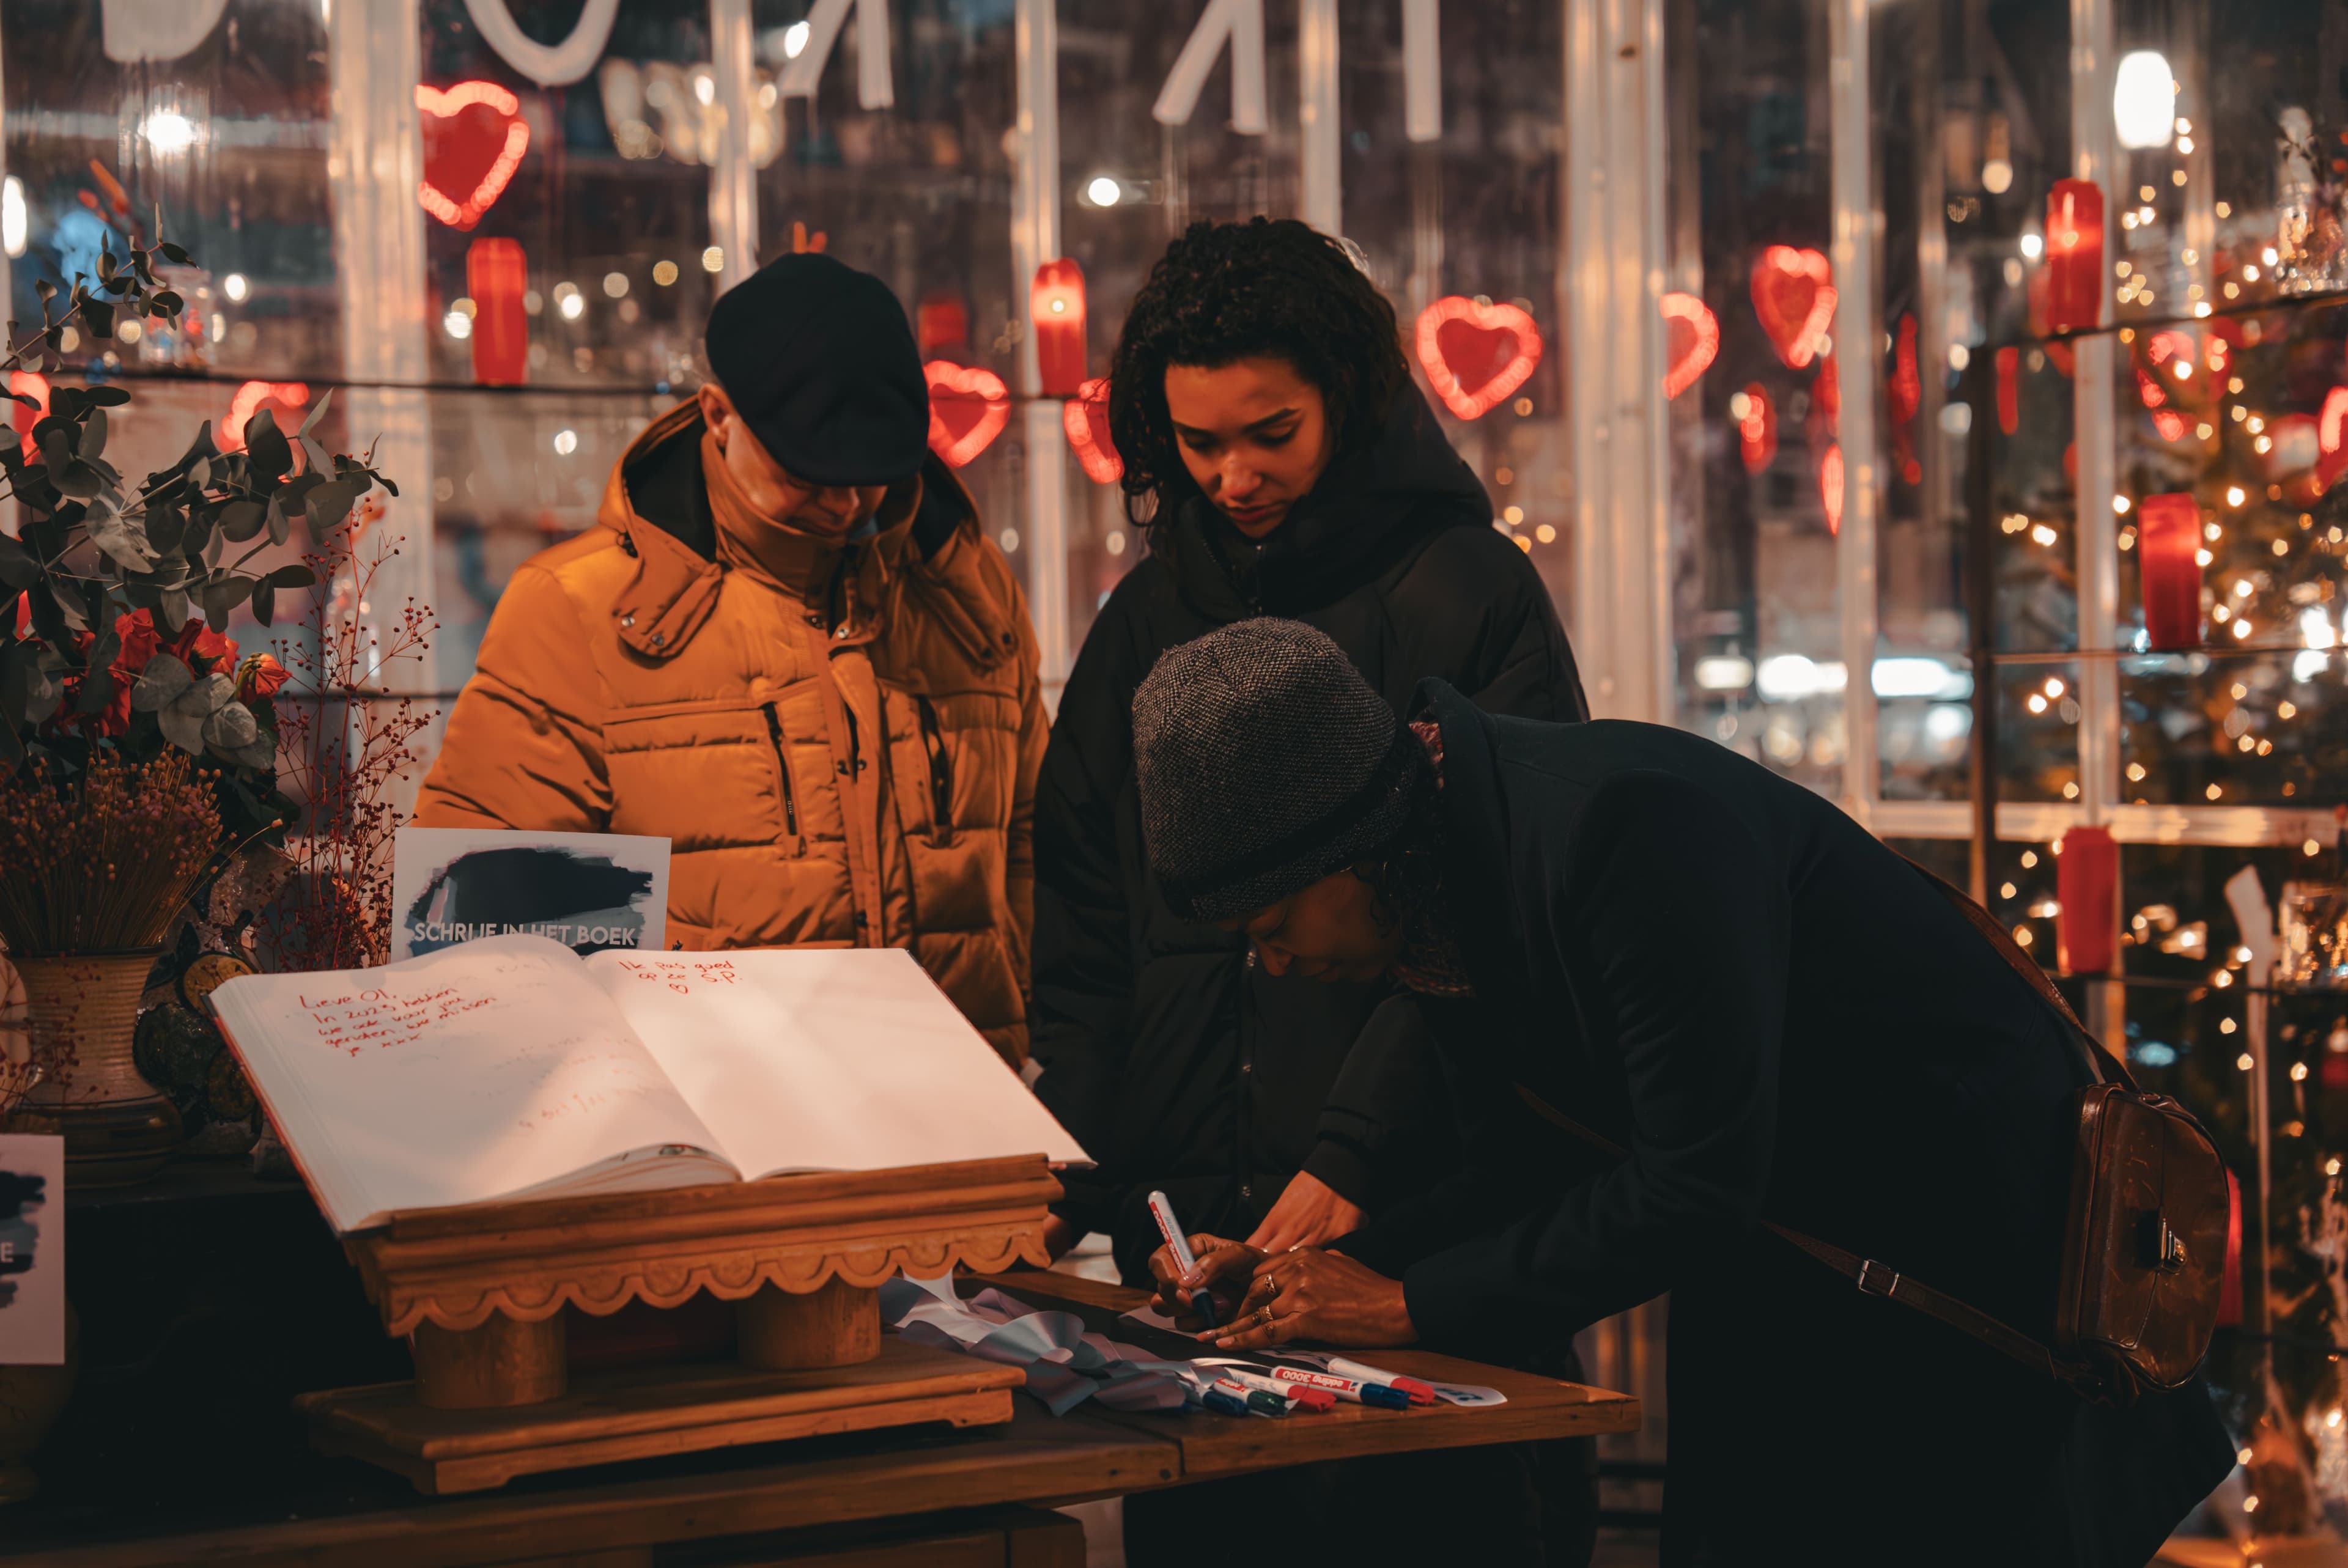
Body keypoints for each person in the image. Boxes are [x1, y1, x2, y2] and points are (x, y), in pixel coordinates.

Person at [1130, 619, 2235, 1567]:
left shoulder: (1624, 827)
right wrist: (1311, 1279)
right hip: (1804, 1246)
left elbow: (1694, 1183)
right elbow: (1529, 1163)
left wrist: (1399, 1302)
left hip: (1958, 1256)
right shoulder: (1447, 874)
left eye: (1271, 924)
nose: (1274, 964)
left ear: (1353, 846)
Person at [1028, 216, 1588, 1283]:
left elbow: (1504, 907)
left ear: (1346, 391)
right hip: (1180, 1238)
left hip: (1424, 1222)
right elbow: (1086, 926)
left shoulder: (1467, 592)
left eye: (1271, 432)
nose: (1234, 477)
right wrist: (1072, 1173)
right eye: (1198, 444)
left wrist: (1360, 1151)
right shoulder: (1143, 618)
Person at [415, 254, 1046, 1064]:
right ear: (718, 416)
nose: (846, 503)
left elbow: (1038, 843)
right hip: (712, 1120)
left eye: (873, 476)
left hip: (964, 1106)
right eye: (810, 473)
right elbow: (478, 921)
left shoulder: (967, 587)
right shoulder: (578, 611)